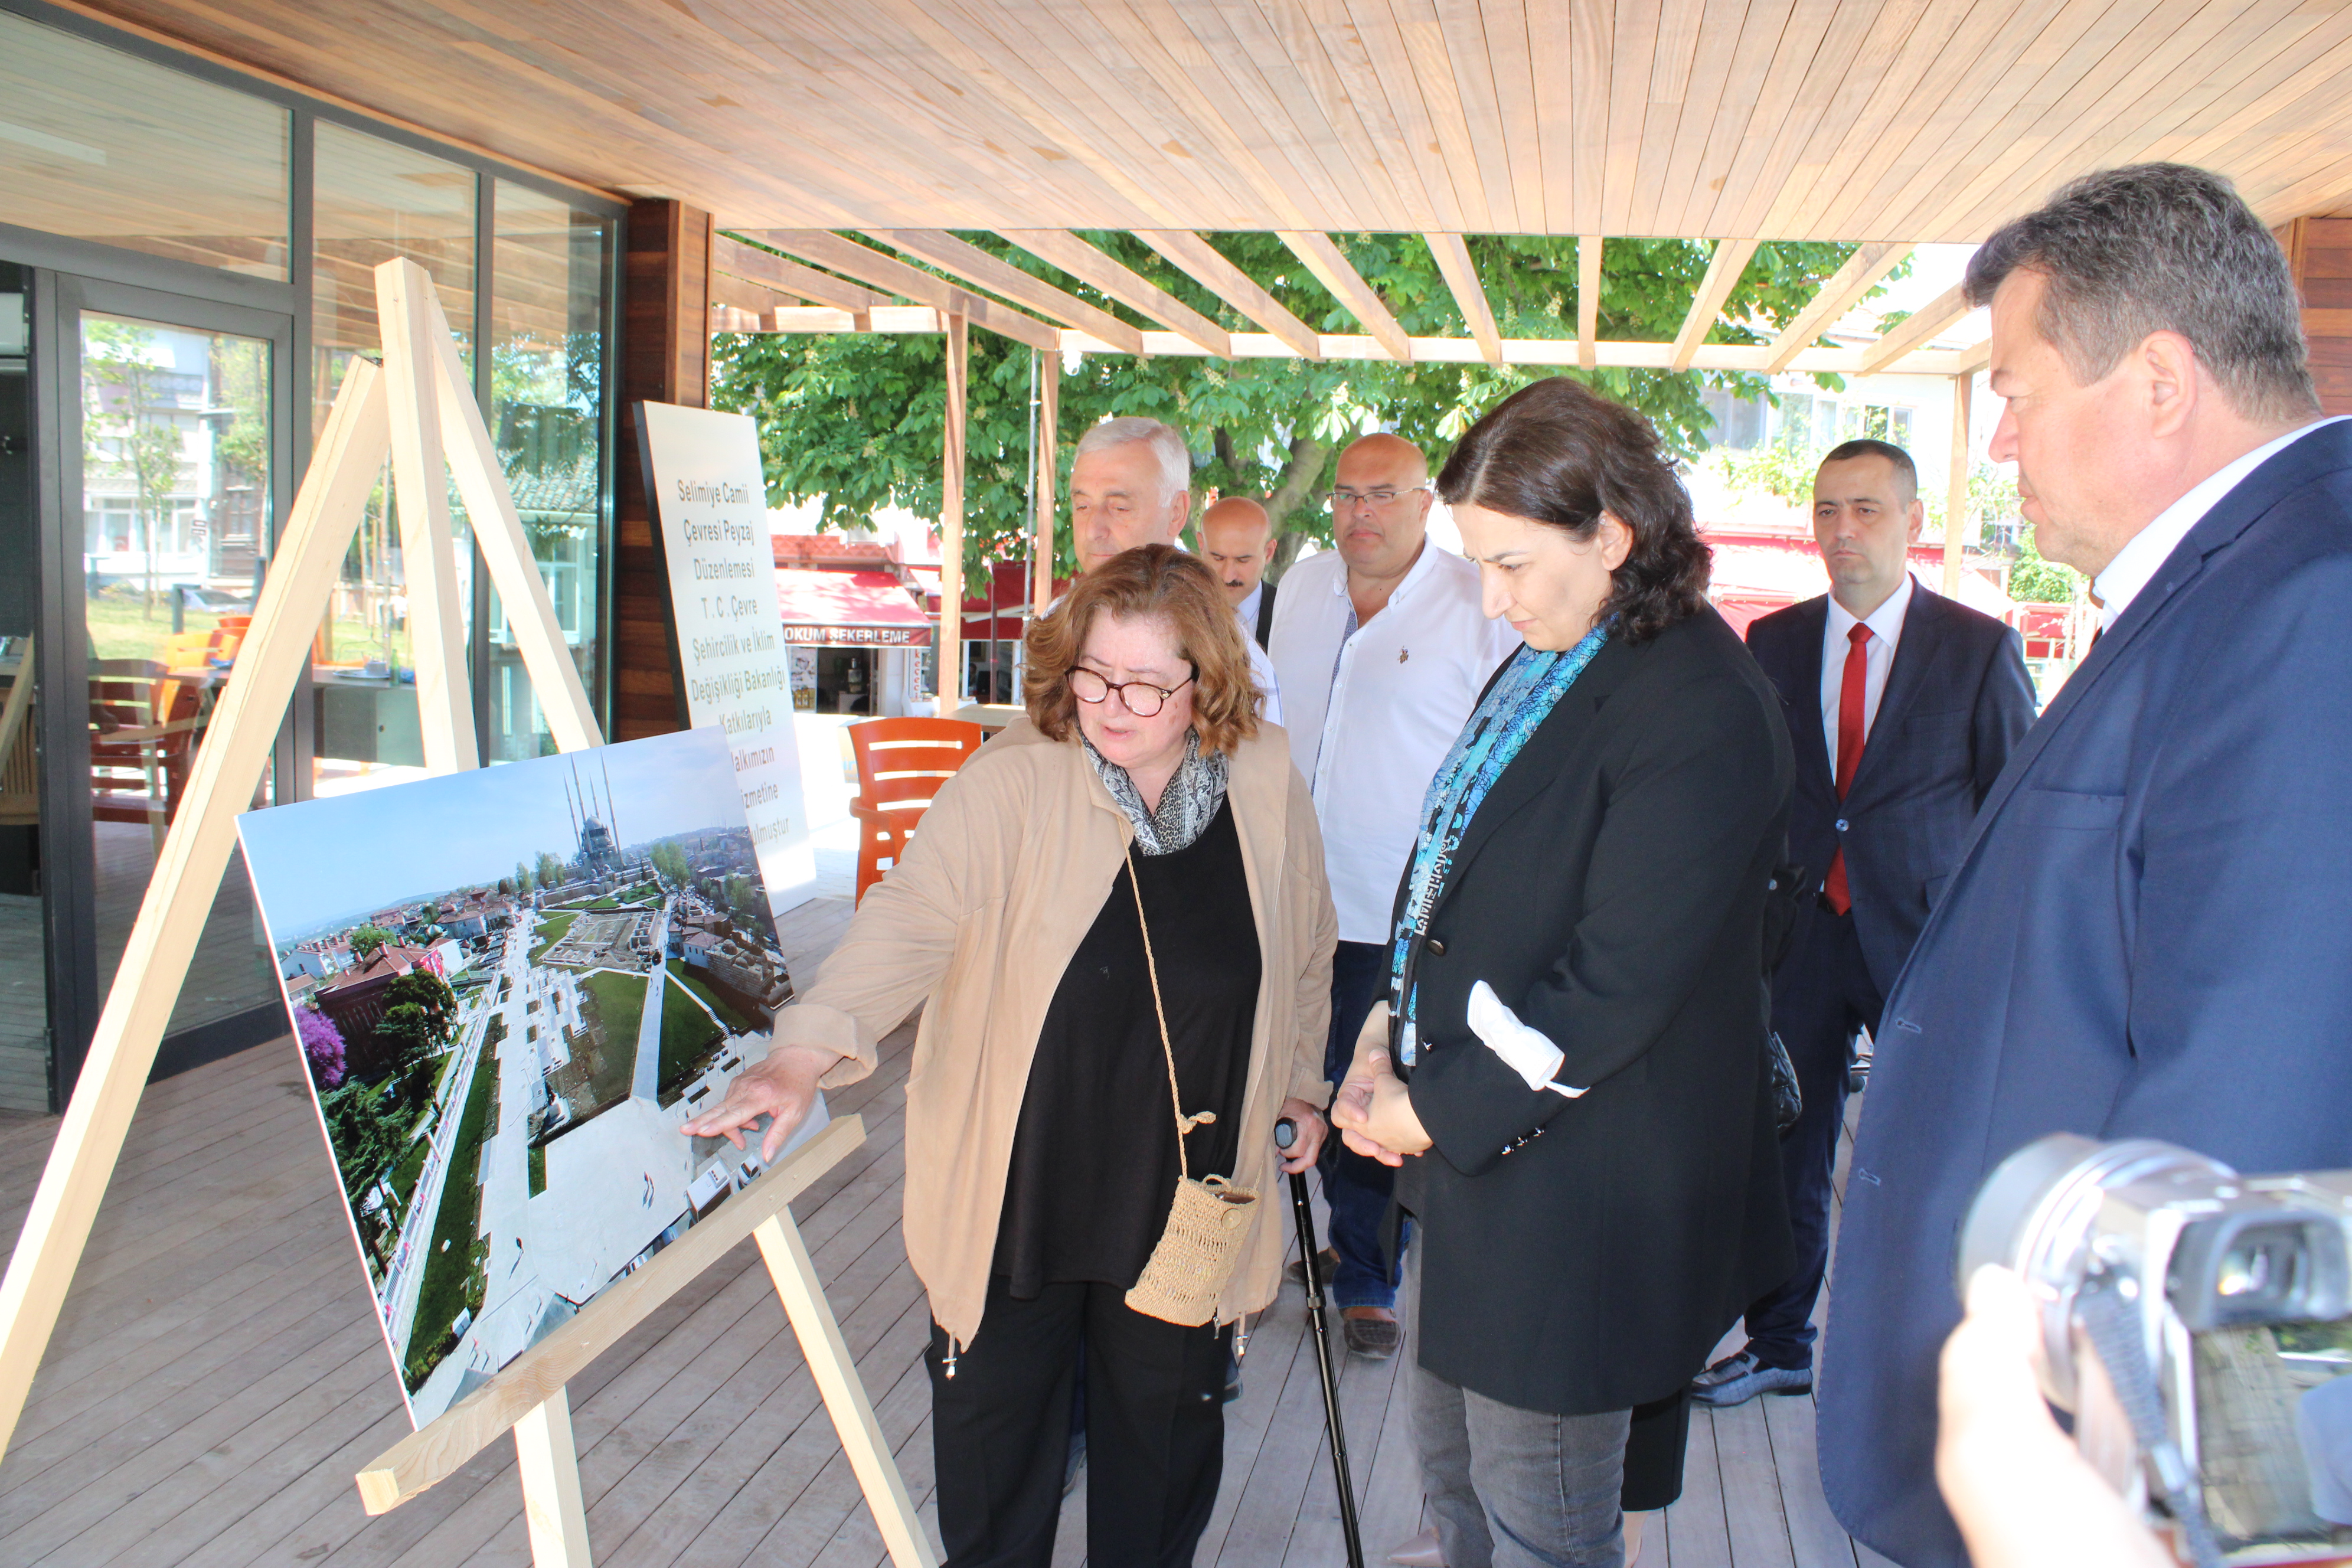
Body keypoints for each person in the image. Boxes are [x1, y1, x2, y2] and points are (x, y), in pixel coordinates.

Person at [1818, 162, 2352, 1568]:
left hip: (2095, 1469)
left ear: (2160, 384)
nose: (1999, 446)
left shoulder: (2310, 601)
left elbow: (2259, 1096)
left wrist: (2138, 1493)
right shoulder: (2235, 579)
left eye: (2015, 392)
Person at [683, 544, 1336, 1567]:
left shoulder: (1263, 776)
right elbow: (908, 921)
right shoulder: (1012, 780)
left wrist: (1302, 1082)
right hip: (1021, 1187)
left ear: (1205, 683)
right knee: (996, 1481)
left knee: (1159, 1477)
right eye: (1091, 672)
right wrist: (800, 1055)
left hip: (1182, 1197)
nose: (1109, 704)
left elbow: (1304, 948)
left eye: (1144, 684)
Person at [1333, 377, 1796, 1568]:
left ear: (1614, 539)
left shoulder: (1701, 703)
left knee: (1541, 1520)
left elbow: (1616, 985)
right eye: (1478, 564)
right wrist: (1389, 1026)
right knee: (1458, 1486)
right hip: (1493, 1163)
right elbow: (1452, 857)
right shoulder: (1566, 647)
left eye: (1510, 565)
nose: (1491, 601)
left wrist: (1428, 1106)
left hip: (1579, 1191)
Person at [1690, 439, 2035, 1410]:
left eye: (1866, 510)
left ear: (1912, 522)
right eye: (1826, 510)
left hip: (1922, 941)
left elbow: (2011, 808)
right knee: (1786, 1144)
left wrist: (1995, 951)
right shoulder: (1774, 643)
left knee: (1930, 1148)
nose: (1842, 531)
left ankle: (1931, 1357)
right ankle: (1779, 1342)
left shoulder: (1976, 649)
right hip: (1798, 933)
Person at [1266, 432, 1520, 1364]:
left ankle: (1368, 1277)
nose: (1358, 514)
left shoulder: (1477, 604)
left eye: (1382, 495)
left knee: (1370, 1089)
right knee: (1282, 1072)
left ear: (1426, 505)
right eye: (1344, 496)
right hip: (1287, 892)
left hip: (1402, 908)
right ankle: (1277, 1252)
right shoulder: (1297, 591)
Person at [1071, 417, 1281, 722]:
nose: (1093, 530)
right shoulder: (1053, 626)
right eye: (1082, 506)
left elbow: (1260, 767)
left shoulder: (1235, 659)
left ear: (1177, 512)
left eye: (1119, 508)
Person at [1200, 494, 1279, 648]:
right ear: (1201, 546)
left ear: (1269, 552)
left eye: (1243, 560)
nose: (1228, 576)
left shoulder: (1293, 615)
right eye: (1218, 558)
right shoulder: (1176, 610)